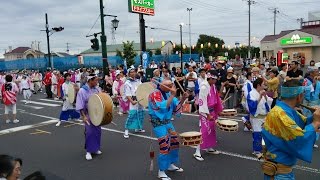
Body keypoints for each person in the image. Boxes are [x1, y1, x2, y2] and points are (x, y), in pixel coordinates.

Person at [262, 79, 320, 179]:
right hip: (279, 173)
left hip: (282, 170)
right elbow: (299, 137)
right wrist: (316, 122)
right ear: (299, 96)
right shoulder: (279, 114)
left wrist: (315, 117)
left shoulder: (286, 110)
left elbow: (303, 123)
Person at [148, 80, 189, 180]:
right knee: (164, 144)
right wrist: (172, 95)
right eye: (170, 86)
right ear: (163, 85)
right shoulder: (154, 94)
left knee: (175, 141)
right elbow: (162, 107)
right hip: (158, 123)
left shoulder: (168, 94)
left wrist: (183, 98)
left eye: (172, 85)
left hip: (167, 122)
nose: (172, 87)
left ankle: (170, 164)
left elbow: (176, 107)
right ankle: (161, 171)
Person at [193, 73, 223, 161]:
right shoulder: (203, 87)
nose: (215, 81)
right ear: (209, 78)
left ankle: (209, 147)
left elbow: (216, 98)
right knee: (204, 131)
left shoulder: (212, 86)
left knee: (212, 129)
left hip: (212, 110)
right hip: (205, 112)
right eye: (214, 79)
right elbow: (202, 102)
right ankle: (197, 152)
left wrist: (218, 110)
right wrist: (208, 115)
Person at [76, 74, 103, 160]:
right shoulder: (82, 90)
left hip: (97, 114)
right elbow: (80, 104)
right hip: (87, 114)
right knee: (89, 132)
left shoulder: (97, 89)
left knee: (97, 131)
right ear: (90, 81)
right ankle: (88, 151)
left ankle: (95, 149)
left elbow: (101, 101)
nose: (97, 82)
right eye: (95, 80)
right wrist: (83, 116)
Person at [247, 78, 273, 158]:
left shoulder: (261, 92)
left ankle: (264, 148)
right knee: (257, 133)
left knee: (265, 133)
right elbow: (251, 106)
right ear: (258, 85)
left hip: (264, 117)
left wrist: (264, 96)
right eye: (263, 84)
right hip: (256, 118)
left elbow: (268, 103)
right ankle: (256, 150)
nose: (264, 85)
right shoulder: (251, 93)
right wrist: (260, 97)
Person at [123, 68, 145, 139]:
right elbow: (127, 93)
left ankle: (138, 128)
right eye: (131, 72)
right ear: (129, 74)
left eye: (134, 72)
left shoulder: (138, 80)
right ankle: (126, 130)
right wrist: (132, 101)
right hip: (133, 99)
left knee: (140, 113)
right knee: (132, 114)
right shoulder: (127, 82)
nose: (133, 73)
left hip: (140, 99)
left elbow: (141, 88)